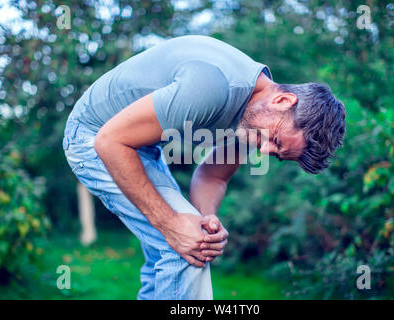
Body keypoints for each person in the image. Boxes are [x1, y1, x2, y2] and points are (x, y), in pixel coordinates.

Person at [62, 35, 345, 300]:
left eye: (276, 153)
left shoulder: (256, 117)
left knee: (192, 241)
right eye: (275, 140)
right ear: (282, 101)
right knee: (186, 248)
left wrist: (206, 219)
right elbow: (110, 141)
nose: (264, 150)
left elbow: (213, 175)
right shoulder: (213, 88)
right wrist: (171, 225)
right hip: (92, 136)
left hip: (136, 145)